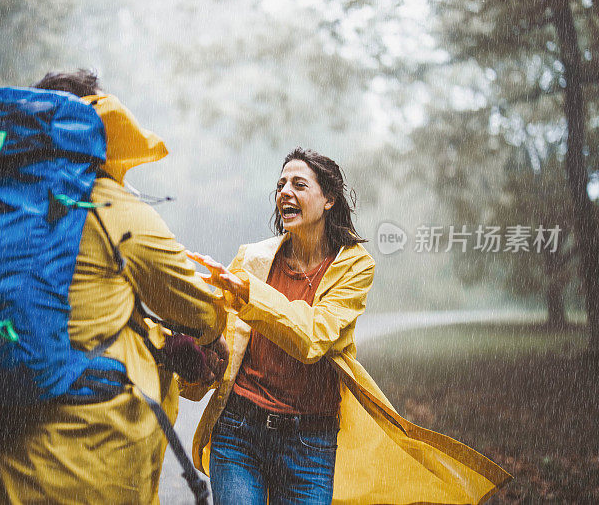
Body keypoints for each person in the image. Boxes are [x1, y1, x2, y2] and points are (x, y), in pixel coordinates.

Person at [0, 70, 228, 504]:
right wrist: (210, 337)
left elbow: (78, 309)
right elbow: (196, 304)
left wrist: (157, 341)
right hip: (79, 464)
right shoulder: (107, 205)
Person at [185, 147, 511, 504]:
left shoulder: (356, 268)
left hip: (309, 443)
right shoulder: (253, 258)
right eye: (280, 185)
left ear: (329, 199)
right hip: (239, 431)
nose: (285, 192)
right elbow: (217, 327)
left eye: (299, 184)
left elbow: (313, 338)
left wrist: (251, 295)